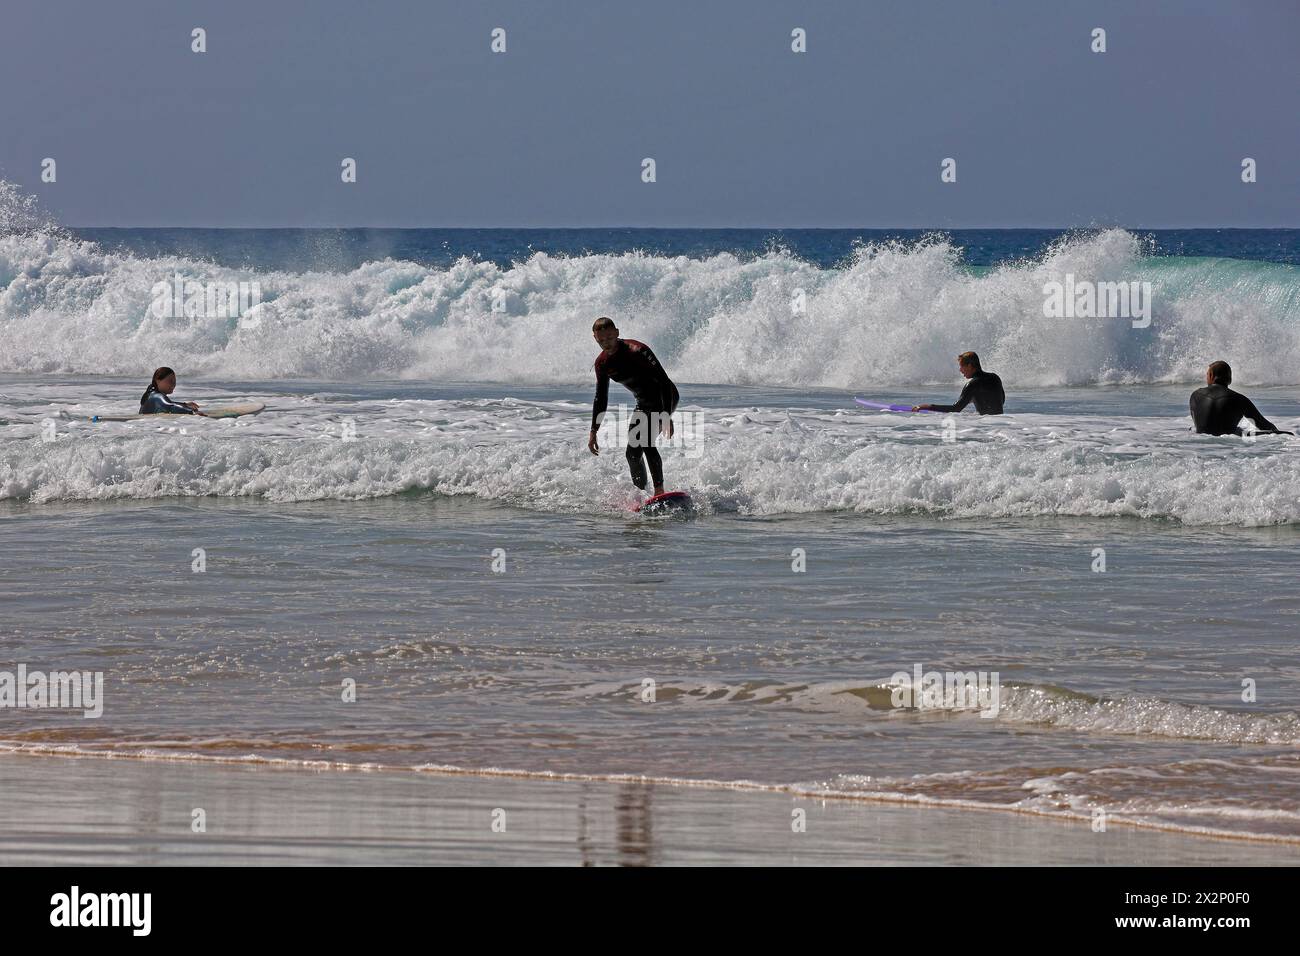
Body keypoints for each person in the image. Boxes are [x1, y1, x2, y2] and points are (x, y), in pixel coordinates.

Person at [587, 317, 679, 495]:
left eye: (609, 338)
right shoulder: (602, 363)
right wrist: (593, 431)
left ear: (617, 333)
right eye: (601, 341)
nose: (606, 344)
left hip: (664, 396)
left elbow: (663, 382)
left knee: (645, 441)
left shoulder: (638, 350)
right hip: (643, 402)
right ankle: (641, 495)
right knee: (632, 454)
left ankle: (659, 492)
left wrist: (666, 416)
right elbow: (601, 397)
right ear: (595, 339)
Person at [1189, 361, 1289, 436]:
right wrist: (1277, 432)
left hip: (1201, 444)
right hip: (1228, 444)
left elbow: (1204, 425)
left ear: (1211, 375)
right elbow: (1264, 425)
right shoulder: (1239, 399)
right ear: (1230, 379)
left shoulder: (1195, 395)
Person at [912, 352, 1004, 414]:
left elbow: (956, 408)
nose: (960, 370)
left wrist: (928, 407)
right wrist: (977, 398)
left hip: (986, 427)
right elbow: (1001, 400)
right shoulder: (995, 377)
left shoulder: (972, 384)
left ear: (970, 366)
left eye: (961, 367)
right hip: (1000, 424)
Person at [139, 367, 204, 415]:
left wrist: (185, 405)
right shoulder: (157, 396)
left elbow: (167, 403)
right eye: (170, 381)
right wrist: (192, 412)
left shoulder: (152, 394)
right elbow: (170, 406)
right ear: (158, 380)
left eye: (174, 381)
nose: (173, 384)